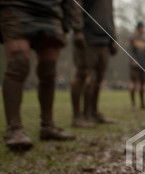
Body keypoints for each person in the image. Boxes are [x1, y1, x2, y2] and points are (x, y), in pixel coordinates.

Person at [0, 0, 75, 151]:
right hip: (15, 6)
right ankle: (14, 129)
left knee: (48, 70)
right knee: (19, 63)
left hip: (51, 10)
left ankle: (48, 126)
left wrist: (67, 19)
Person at [72, 0, 118, 125]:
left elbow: (110, 15)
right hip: (88, 37)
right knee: (83, 75)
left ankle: (93, 113)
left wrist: (113, 38)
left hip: (104, 40)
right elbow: (76, 5)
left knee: (98, 78)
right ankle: (77, 116)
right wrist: (77, 30)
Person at [128, 21, 145, 110]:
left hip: (143, 65)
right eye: (142, 27)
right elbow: (130, 51)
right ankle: (133, 104)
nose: (143, 29)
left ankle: (142, 104)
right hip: (134, 66)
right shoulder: (133, 38)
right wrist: (133, 60)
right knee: (133, 83)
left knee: (142, 84)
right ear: (138, 28)